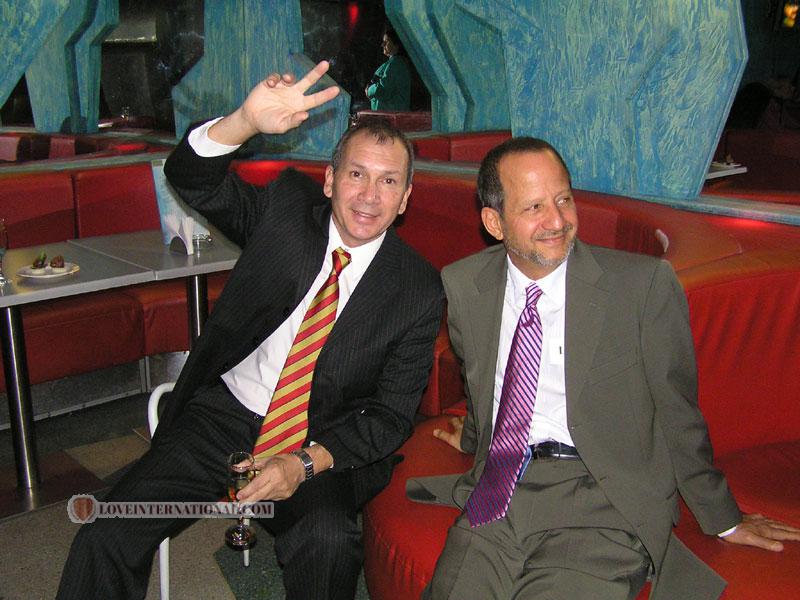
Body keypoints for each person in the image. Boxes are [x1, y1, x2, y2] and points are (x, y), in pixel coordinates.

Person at [57, 61, 443, 600]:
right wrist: (243, 121)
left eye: (388, 181)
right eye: (356, 174)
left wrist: (303, 463)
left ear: (405, 198)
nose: (369, 195)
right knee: (108, 531)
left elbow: (391, 415)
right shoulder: (284, 213)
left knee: (329, 543)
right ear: (329, 180)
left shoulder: (417, 289)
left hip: (321, 439)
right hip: (224, 416)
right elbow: (191, 177)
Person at [411, 137, 800, 599]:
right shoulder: (465, 284)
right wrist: (475, 435)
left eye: (563, 199)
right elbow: (485, 380)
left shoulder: (639, 288)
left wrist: (724, 518)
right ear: (494, 223)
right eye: (534, 207)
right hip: (500, 490)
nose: (557, 221)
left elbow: (677, 413)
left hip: (601, 501)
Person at [365, 28, 411, 111]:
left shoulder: (396, 64)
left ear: (397, 44)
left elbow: (383, 90)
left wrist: (369, 90)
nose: (382, 44)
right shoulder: (395, 63)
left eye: (386, 41)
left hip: (390, 116)